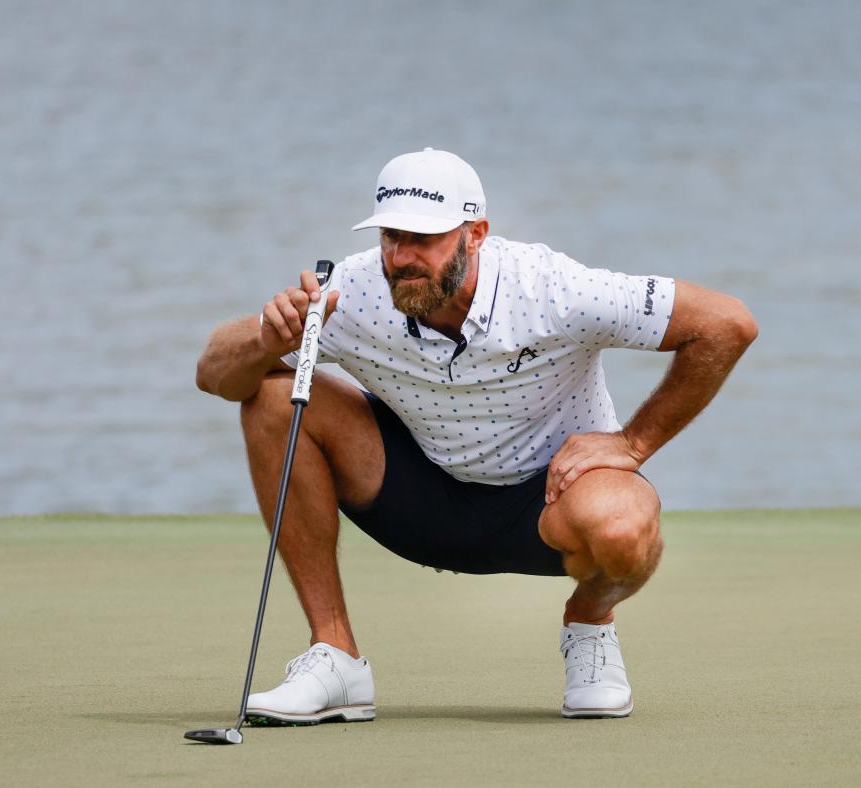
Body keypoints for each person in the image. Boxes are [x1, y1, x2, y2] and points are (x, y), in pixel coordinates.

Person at [195, 148, 757, 722]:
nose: (401, 257)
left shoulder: (552, 288)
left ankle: (590, 625)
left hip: (551, 501)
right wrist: (267, 337)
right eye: (392, 236)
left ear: (475, 234)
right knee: (270, 396)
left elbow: (725, 323)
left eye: (424, 239)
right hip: (419, 500)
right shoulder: (352, 290)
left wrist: (632, 443)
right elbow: (213, 373)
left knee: (623, 529)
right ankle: (335, 656)